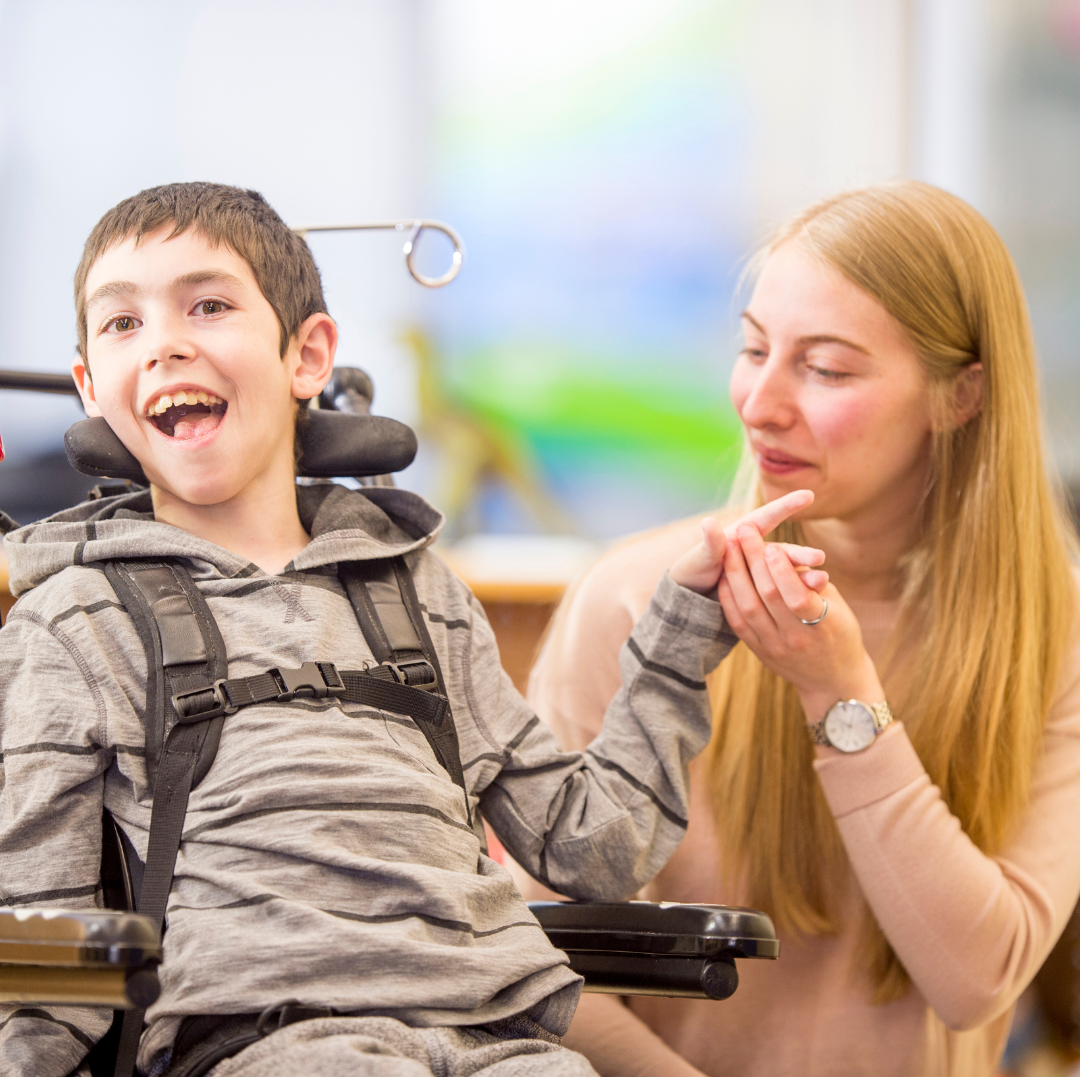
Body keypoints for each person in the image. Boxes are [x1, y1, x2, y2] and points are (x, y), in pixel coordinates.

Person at [0, 182, 821, 1077]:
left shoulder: (419, 595)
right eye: (122, 324)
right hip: (271, 1041)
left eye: (208, 304)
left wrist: (681, 633)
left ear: (307, 355)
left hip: (502, 1036)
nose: (164, 343)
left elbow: (595, 845)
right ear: (91, 388)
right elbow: (40, 954)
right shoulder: (71, 623)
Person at [516, 181, 1080, 1077]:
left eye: (825, 368)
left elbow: (979, 979)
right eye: (753, 349)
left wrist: (839, 692)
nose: (760, 403)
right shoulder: (631, 598)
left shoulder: (1058, 639)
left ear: (960, 395)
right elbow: (528, 961)